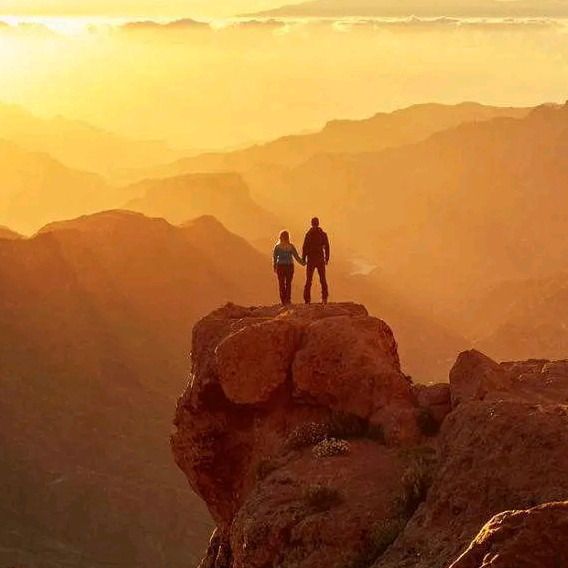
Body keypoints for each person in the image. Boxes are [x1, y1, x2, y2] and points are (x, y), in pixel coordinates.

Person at [302, 217, 330, 304]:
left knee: (309, 280)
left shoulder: (308, 234)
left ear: (312, 223)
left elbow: (305, 247)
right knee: (322, 279)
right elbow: (327, 247)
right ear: (318, 223)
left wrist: (303, 258)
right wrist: (327, 258)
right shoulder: (323, 234)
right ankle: (324, 298)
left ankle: (307, 300)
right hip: (320, 259)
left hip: (311, 259)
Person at [273, 230, 305, 305]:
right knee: (288, 284)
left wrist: (274, 266)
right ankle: (288, 300)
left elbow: (274, 258)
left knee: (281, 284)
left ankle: (283, 300)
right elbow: (296, 257)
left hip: (280, 266)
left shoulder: (277, 247)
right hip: (289, 266)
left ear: (280, 237)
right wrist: (303, 263)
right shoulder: (291, 246)